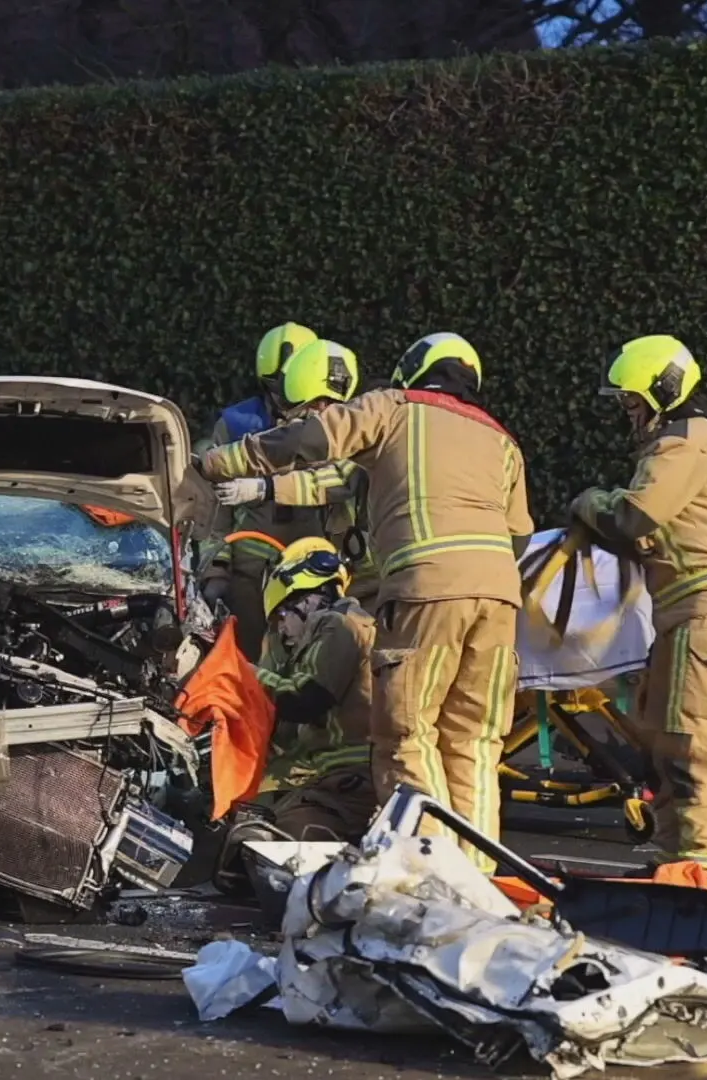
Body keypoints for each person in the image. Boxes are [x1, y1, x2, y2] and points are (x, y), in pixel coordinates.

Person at [199, 331, 533, 872]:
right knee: (473, 739)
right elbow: (519, 534)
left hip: (424, 588)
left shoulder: (394, 408)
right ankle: (478, 875)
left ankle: (427, 872)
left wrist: (226, 463)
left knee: (407, 729)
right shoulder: (500, 438)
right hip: (499, 598)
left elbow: (310, 442)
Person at [568, 334, 707, 881]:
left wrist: (588, 503)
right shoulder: (690, 439)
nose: (630, 414)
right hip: (690, 609)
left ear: (663, 390)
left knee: (693, 742)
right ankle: (674, 862)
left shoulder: (685, 442)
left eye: (633, 401)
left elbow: (634, 519)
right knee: (666, 738)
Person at [199, 323, 344, 660]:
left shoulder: (338, 425)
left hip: (316, 565)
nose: (286, 401)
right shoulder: (236, 425)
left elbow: (341, 485)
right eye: (277, 390)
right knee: (251, 660)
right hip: (251, 570)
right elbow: (213, 509)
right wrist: (216, 568)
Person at [212, 340, 378, 611]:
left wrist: (264, 487)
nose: (293, 420)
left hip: (360, 578)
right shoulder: (248, 429)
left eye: (305, 411)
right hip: (275, 578)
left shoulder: (364, 435)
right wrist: (216, 570)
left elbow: (332, 481)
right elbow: (214, 515)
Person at [252, 536, 380, 845]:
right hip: (339, 780)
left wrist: (246, 675)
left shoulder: (339, 624)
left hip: (351, 782)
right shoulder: (336, 630)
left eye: (283, 616)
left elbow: (303, 699)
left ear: (308, 599)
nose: (282, 629)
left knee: (274, 841)